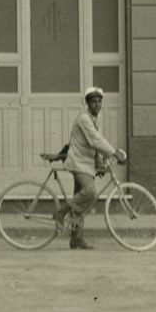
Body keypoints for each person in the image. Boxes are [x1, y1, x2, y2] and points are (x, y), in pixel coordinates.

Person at [54, 86, 119, 250]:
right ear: (87, 104)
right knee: (90, 192)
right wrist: (114, 153)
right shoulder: (84, 118)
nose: (97, 105)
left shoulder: (94, 119)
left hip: (86, 163)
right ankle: (60, 212)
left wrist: (101, 164)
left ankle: (76, 238)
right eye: (93, 102)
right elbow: (95, 140)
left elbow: (95, 145)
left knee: (80, 202)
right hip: (78, 163)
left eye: (99, 102)